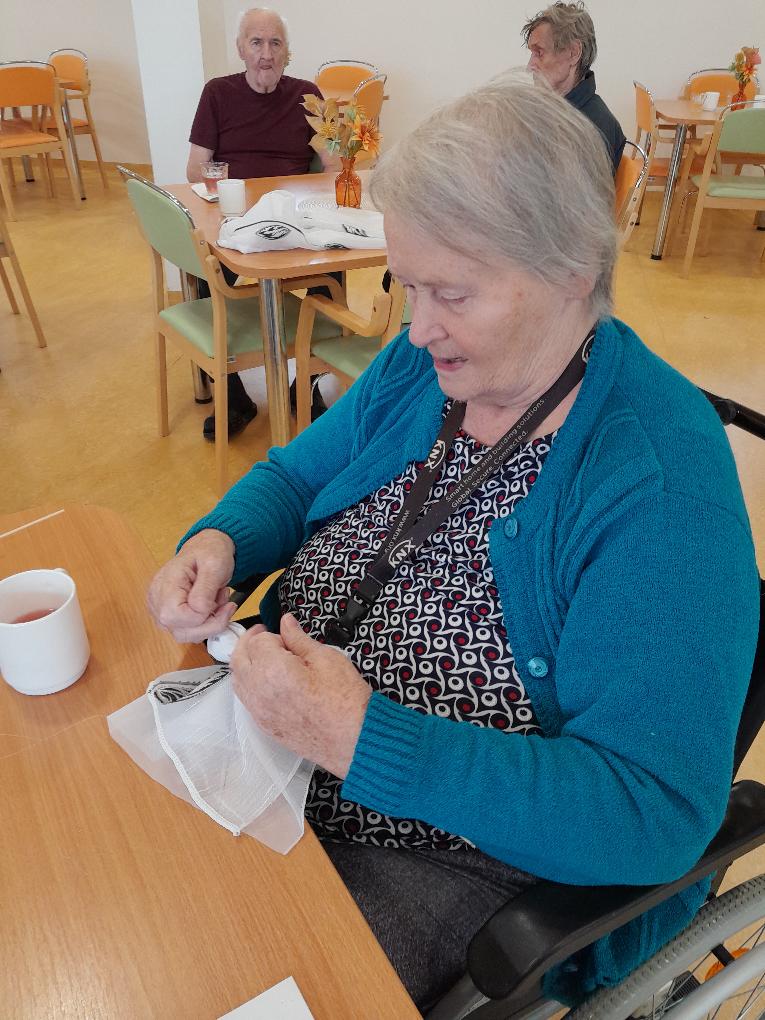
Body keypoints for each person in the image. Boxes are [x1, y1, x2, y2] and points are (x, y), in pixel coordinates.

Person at [148, 72, 759, 1012]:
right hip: (273, 746)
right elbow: (296, 479)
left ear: (570, 270)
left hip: (445, 856)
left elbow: (653, 810)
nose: (415, 328)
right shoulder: (424, 367)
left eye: (452, 294)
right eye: (408, 285)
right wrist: (221, 541)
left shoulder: (658, 486)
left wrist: (357, 737)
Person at [188, 7, 331, 439]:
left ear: (287, 51)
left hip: (294, 217)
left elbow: (332, 166)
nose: (266, 54)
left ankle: (304, 385)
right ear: (240, 49)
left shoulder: (307, 95)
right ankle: (234, 396)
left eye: (275, 43)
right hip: (236, 216)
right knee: (204, 271)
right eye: (256, 42)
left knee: (332, 271)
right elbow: (195, 169)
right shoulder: (217, 93)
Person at [523, 1, 626, 172]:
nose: (530, 66)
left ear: (573, 53)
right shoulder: (554, 110)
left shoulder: (593, 128)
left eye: (539, 53)